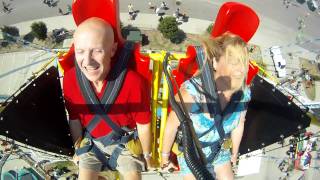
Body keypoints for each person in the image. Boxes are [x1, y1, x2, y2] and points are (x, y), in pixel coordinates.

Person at [63, 17, 152, 180]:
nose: (87, 61)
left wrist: (146, 155)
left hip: (125, 145)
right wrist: (77, 149)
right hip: (91, 144)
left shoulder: (133, 82)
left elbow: (143, 125)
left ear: (112, 50)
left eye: (97, 50)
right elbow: (74, 120)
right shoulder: (70, 79)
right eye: (80, 51)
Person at [160, 33, 251, 180]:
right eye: (232, 61)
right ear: (215, 62)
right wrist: (165, 157)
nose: (240, 69)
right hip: (192, 152)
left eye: (243, 62)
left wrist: (234, 153)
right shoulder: (192, 93)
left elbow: (239, 124)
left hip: (219, 149)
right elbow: (171, 125)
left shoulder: (244, 94)